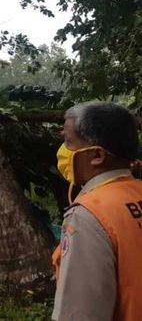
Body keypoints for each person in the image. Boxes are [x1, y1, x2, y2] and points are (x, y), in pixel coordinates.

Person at [52, 101, 142, 320]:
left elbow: (81, 313)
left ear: (97, 156)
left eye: (68, 142)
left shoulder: (89, 216)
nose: (63, 152)